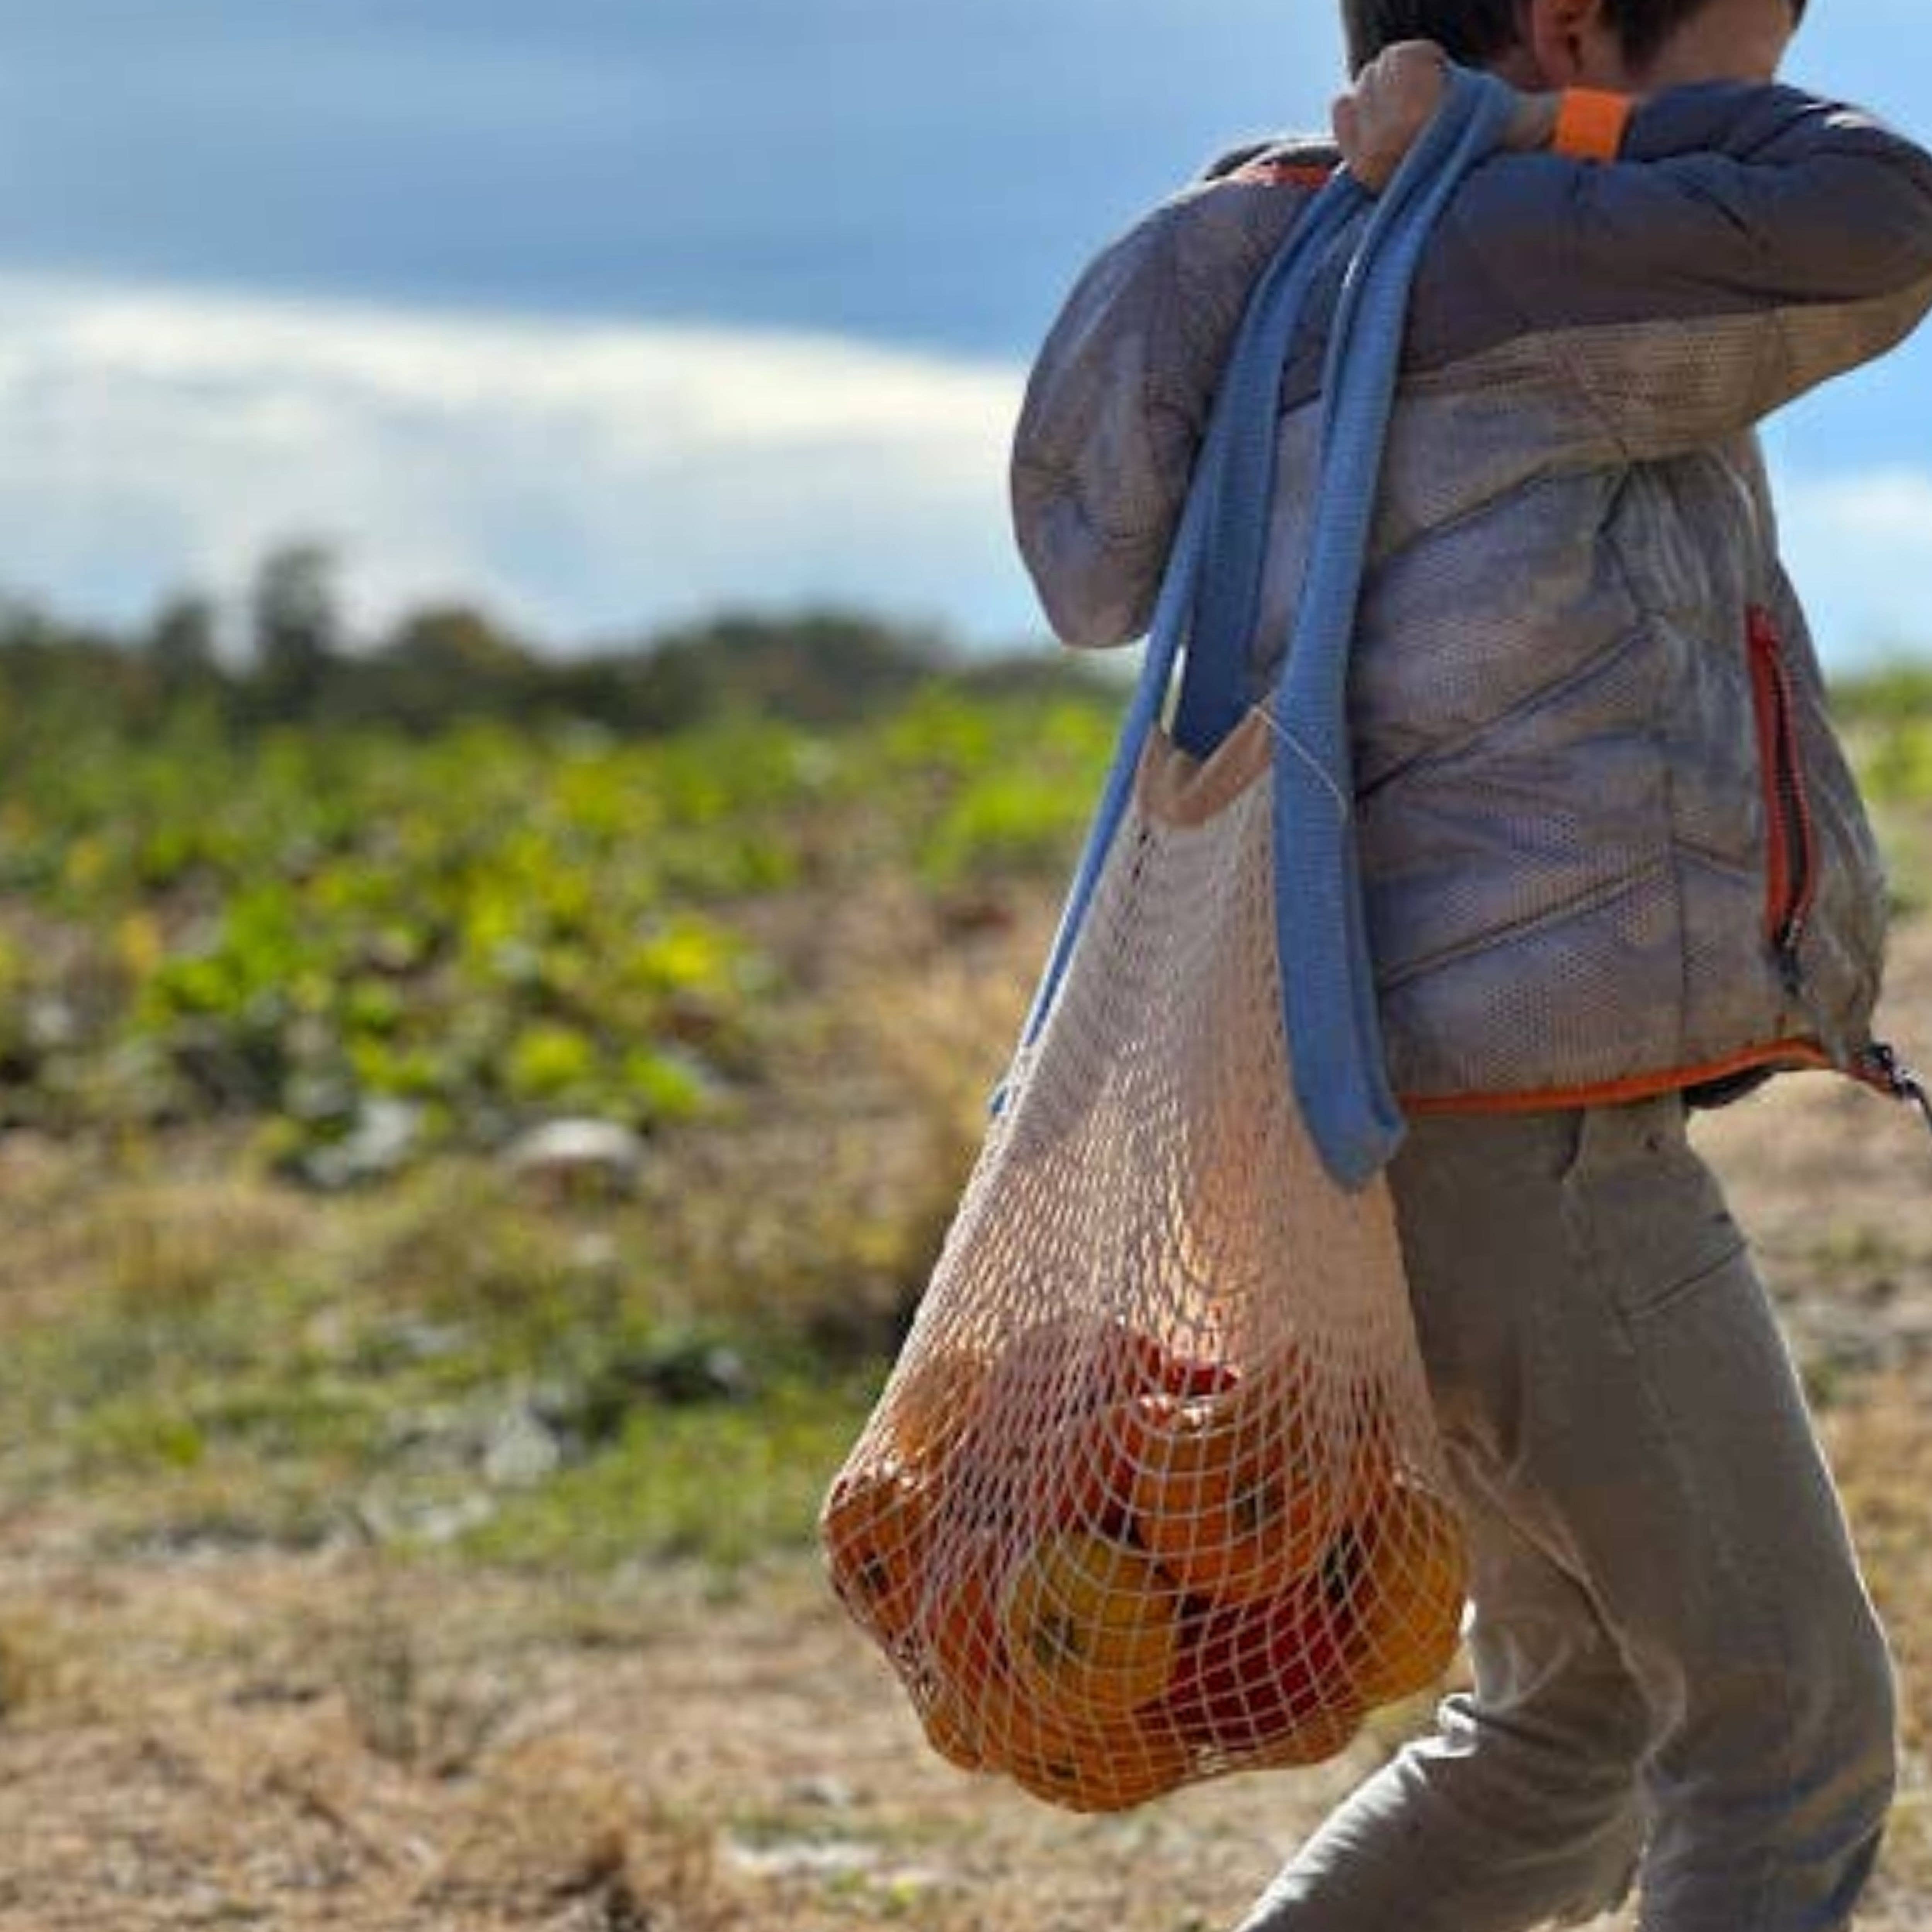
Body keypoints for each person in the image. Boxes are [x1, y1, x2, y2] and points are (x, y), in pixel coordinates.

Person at [1009, 1, 1932, 1927]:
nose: (1750, 98)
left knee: (1568, 1710)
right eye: (1744, 46)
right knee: (1788, 1727)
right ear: (1574, 28)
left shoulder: (1270, 249)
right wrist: (1559, 134)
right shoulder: (1503, 250)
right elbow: (1876, 209)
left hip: (1368, 1099)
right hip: (1528, 1136)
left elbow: (1082, 563)